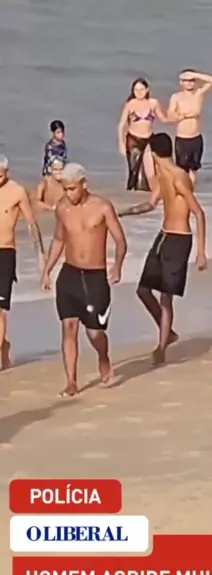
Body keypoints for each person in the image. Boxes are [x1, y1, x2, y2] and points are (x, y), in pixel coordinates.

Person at [118, 133, 207, 366]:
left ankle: (161, 347)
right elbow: (150, 204)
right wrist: (123, 213)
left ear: (154, 153)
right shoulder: (162, 176)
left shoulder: (179, 178)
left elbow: (199, 213)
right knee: (143, 290)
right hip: (164, 236)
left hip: (179, 239)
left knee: (166, 297)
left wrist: (201, 252)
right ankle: (168, 333)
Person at [41, 163, 127, 397]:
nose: (68, 194)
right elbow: (59, 239)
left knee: (94, 332)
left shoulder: (103, 207)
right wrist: (47, 269)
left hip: (94, 277)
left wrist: (117, 266)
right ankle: (71, 381)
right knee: (68, 327)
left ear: (84, 184)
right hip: (69, 274)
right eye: (65, 189)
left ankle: (103, 357)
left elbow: (120, 240)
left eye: (72, 189)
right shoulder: (63, 208)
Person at [0, 155, 45, 370]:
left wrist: (41, 257)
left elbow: (32, 224)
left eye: (1, 174)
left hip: (5, 252)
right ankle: (3, 344)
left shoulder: (17, 191)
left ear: (7, 172)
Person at [117, 78, 167, 192]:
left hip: (149, 139)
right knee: (134, 171)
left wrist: (180, 116)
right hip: (134, 140)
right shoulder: (130, 104)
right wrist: (121, 143)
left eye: (141, 89)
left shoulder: (153, 103)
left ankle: (152, 194)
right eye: (136, 90)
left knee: (150, 171)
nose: (139, 92)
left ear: (147, 89)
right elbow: (121, 125)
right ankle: (132, 195)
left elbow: (164, 118)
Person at [167, 69, 212, 186]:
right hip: (182, 138)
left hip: (196, 136)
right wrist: (184, 115)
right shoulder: (176, 97)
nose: (189, 83)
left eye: (191, 80)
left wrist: (194, 74)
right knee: (182, 169)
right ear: (181, 82)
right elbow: (170, 115)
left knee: (194, 169)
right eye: (186, 80)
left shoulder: (198, 94)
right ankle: (182, 190)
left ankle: (191, 190)